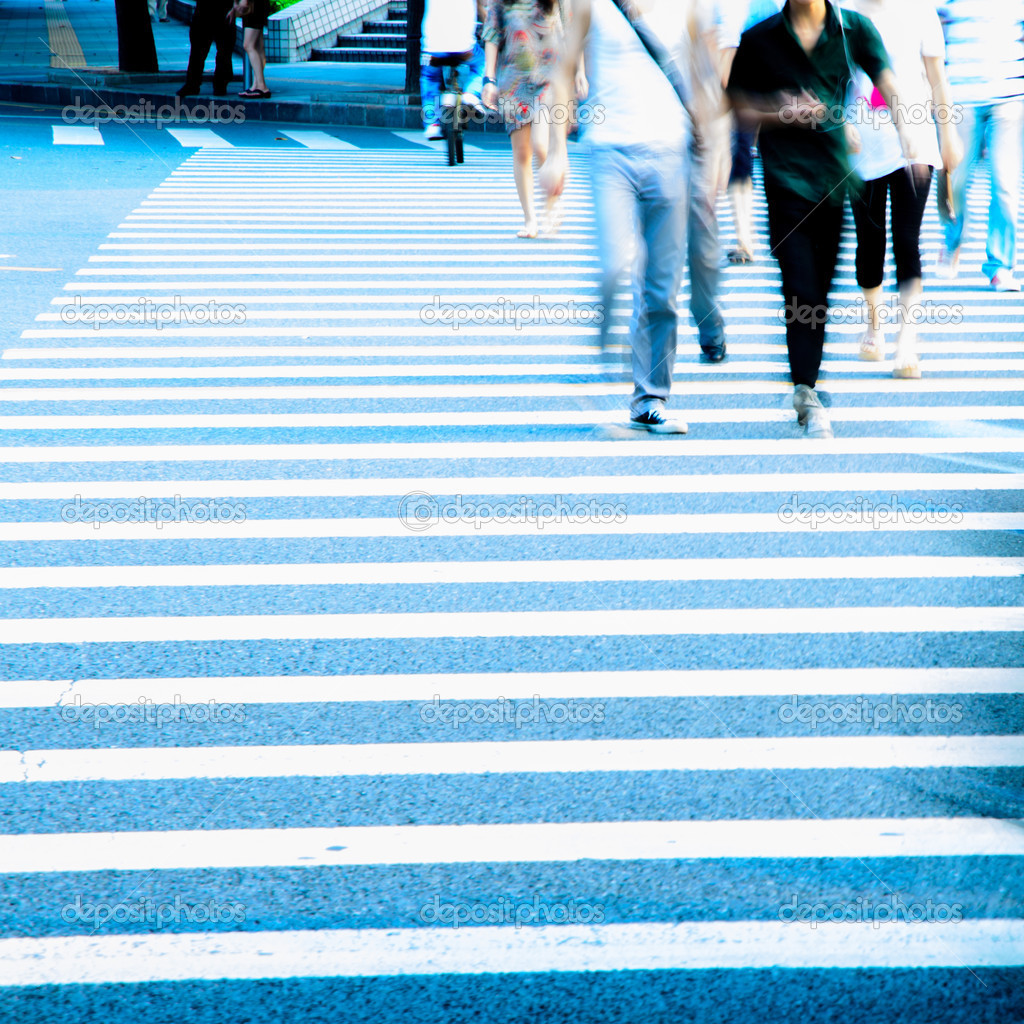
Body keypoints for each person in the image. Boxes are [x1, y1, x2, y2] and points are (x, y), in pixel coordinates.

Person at [727, 0, 916, 439]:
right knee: (799, 285)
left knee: (820, 293)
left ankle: (805, 383)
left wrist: (908, 129)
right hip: (785, 181)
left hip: (834, 180)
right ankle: (807, 391)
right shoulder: (761, 37)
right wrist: (781, 111)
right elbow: (735, 104)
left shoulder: (854, 29)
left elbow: (887, 80)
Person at [540, 0, 704, 433]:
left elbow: (703, 76)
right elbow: (563, 71)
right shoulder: (596, 5)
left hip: (671, 153)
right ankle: (607, 327)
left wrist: (718, 149)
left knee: (662, 290)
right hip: (611, 151)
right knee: (615, 265)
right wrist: (558, 153)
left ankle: (649, 398)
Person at [842, 0, 962, 378]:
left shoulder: (921, 11)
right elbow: (833, 75)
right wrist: (838, 123)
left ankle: (906, 340)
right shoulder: (843, 12)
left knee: (907, 240)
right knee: (869, 239)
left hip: (914, 143)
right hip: (863, 144)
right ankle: (875, 325)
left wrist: (949, 133)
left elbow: (937, 78)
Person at [934, 1, 1024, 291]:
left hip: (1009, 98)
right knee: (953, 180)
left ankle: (1000, 266)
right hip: (960, 96)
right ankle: (953, 237)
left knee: (1005, 185)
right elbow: (933, 31)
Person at [482, 0, 583, 239]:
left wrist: (580, 72)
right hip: (514, 80)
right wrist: (489, 78)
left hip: (551, 76)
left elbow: (573, 32)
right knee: (522, 152)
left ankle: (553, 200)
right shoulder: (501, 3)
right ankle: (530, 219)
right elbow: (492, 35)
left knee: (541, 144)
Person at [719, 0, 783, 264]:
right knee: (742, 161)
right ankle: (745, 238)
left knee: (766, 162)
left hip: (768, 93)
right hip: (747, 92)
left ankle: (763, 235)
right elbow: (726, 49)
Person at [420, 0, 487, 140]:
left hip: (433, 47)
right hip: (464, 46)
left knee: (429, 78)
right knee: (482, 62)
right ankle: (471, 93)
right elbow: (483, 10)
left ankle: (432, 124)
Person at [177, 0, 235, 97]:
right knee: (218, 49)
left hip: (212, 9)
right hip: (217, 9)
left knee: (203, 49)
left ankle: (196, 84)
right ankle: (219, 83)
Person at [235, 0, 272, 99]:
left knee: (248, 45)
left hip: (254, 5)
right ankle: (257, 84)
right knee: (258, 46)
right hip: (257, 5)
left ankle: (261, 85)